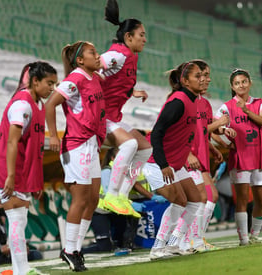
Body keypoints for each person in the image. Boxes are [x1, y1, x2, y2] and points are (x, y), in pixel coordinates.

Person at [0, 61, 58, 275]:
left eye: (55, 84)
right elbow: (11, 142)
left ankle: (21, 269)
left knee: (20, 219)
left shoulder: (40, 105)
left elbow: (33, 146)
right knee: (16, 219)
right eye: (49, 83)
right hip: (8, 168)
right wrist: (9, 176)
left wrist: (34, 178)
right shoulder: (22, 105)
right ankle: (21, 271)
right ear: (35, 81)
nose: (52, 88)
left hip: (22, 170)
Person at [45, 41, 106, 272]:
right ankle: (69, 250)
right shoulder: (76, 78)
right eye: (93, 52)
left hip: (91, 144)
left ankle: (75, 249)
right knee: (80, 200)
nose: (97, 55)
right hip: (76, 146)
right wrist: (53, 135)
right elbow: (51, 104)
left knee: (93, 200)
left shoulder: (95, 78)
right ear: (80, 60)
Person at [143, 61, 207, 259]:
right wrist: (163, 164)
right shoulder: (178, 101)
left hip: (176, 164)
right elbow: (156, 134)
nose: (205, 79)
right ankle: (158, 248)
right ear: (186, 81)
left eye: (205, 75)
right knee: (180, 201)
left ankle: (173, 244)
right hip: (157, 163)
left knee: (195, 201)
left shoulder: (193, 100)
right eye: (199, 76)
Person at [100, 0, 152, 218]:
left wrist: (132, 92)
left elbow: (114, 82)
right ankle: (111, 195)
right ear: (128, 37)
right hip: (100, 116)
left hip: (114, 116)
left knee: (145, 149)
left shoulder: (130, 56)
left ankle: (122, 194)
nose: (145, 39)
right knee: (130, 144)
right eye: (141, 34)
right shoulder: (117, 55)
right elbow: (93, 70)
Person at [179, 60, 233, 252]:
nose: (207, 79)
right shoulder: (185, 101)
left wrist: (214, 146)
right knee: (207, 196)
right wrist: (220, 122)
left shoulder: (205, 103)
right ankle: (191, 239)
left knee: (204, 198)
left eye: (208, 75)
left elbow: (205, 131)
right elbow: (194, 130)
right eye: (203, 75)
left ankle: (194, 239)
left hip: (201, 156)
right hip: (188, 157)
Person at [215, 68, 262, 246]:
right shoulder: (226, 107)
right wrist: (223, 137)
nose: (241, 85)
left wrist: (246, 110)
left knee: (261, 200)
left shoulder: (259, 103)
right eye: (237, 83)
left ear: (250, 83)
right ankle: (243, 239)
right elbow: (214, 127)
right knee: (242, 200)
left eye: (244, 81)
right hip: (239, 158)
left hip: (258, 157)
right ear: (232, 86)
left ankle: (255, 235)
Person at [0, 192, 42, 263]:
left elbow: (7, 239)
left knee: (35, 254)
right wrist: (12, 249)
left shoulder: (0, 220)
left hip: (6, 252)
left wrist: (18, 245)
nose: (2, 206)